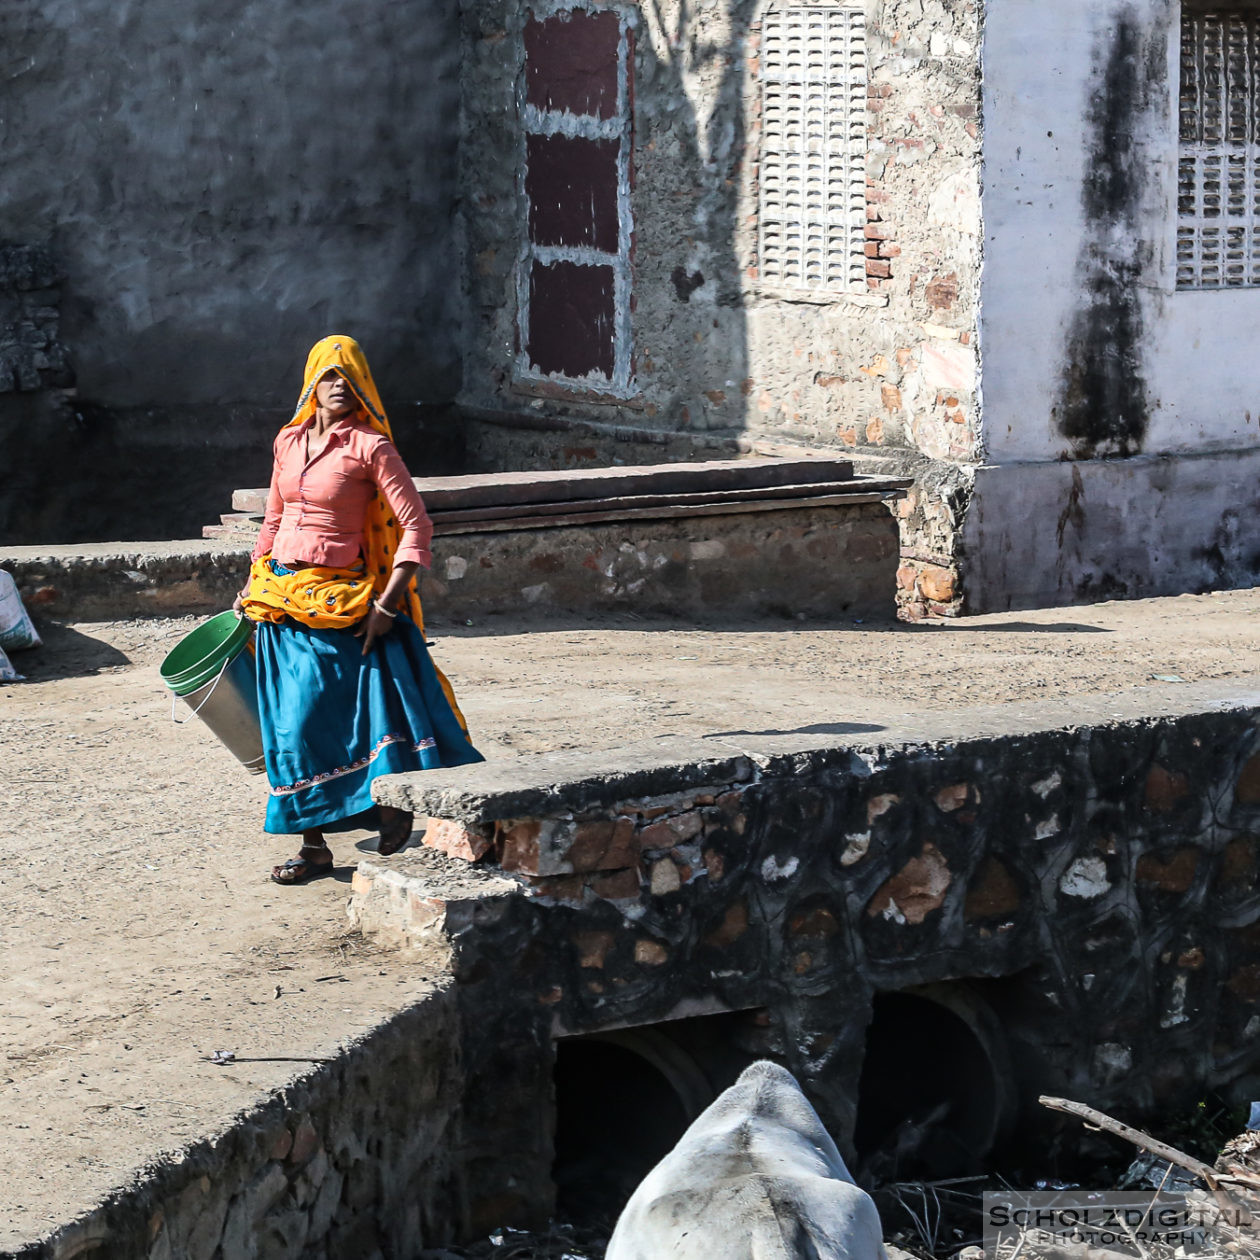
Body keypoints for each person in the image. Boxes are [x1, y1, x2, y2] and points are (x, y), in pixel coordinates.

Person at [235, 335, 483, 884]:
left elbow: (416, 526)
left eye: (349, 380)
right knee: (289, 730)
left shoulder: (371, 448)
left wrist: (388, 607)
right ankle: (315, 847)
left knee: (331, 722)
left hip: (343, 602)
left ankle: (387, 808)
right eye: (329, 378)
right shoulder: (287, 441)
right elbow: (273, 520)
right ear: (312, 385)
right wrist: (253, 577)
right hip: (278, 599)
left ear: (362, 388)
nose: (338, 388)